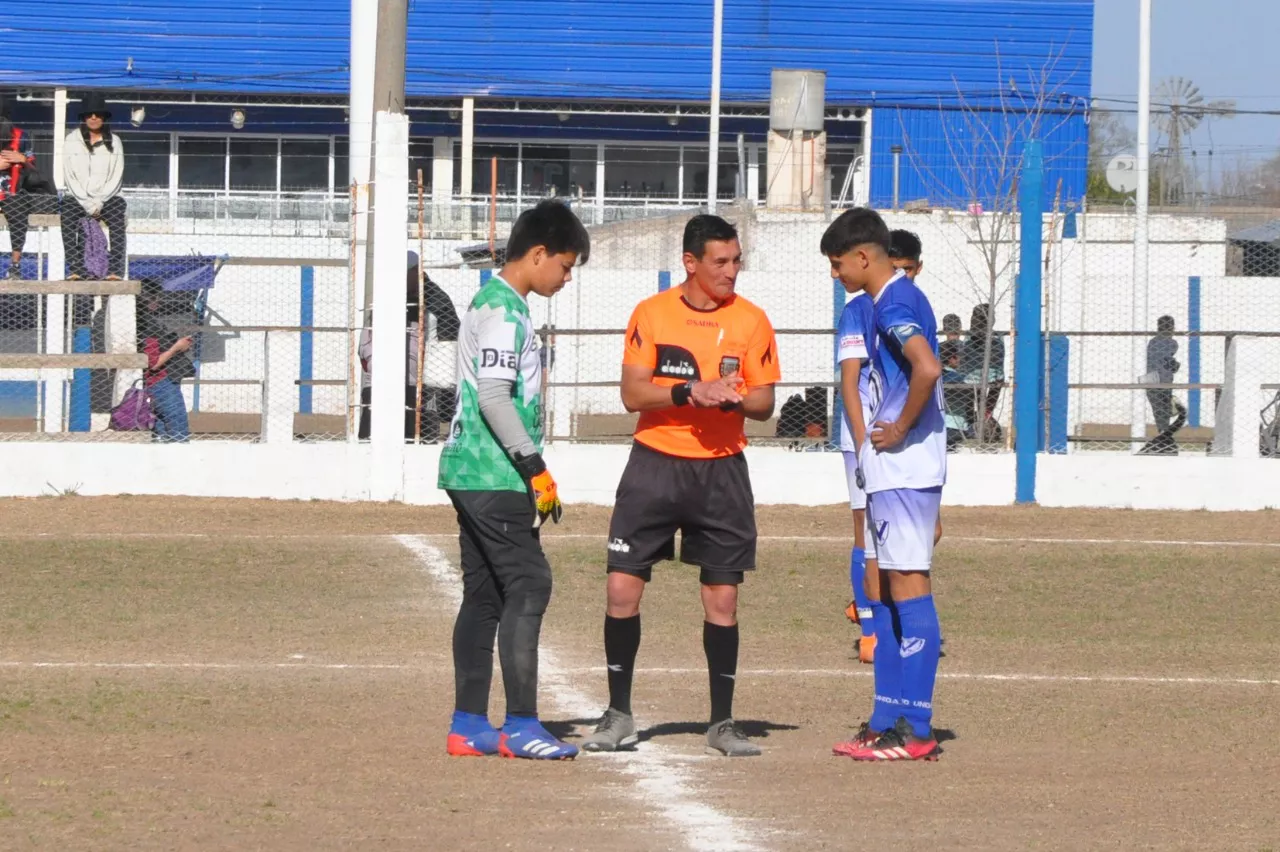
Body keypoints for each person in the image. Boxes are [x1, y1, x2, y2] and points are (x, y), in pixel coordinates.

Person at [582, 214, 781, 758]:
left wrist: (731, 397)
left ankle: (722, 722)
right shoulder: (651, 313)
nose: (732, 271)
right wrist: (690, 391)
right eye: (721, 262)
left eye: (737, 260)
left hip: (721, 471)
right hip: (654, 465)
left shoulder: (753, 320)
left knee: (723, 599)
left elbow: (765, 404)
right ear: (691, 263)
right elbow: (632, 393)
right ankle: (619, 713)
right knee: (622, 590)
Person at [437, 199, 590, 760]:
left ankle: (468, 724)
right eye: (566, 266)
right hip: (493, 472)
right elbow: (496, 398)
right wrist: (535, 467)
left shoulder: (491, 303)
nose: (567, 278)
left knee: (485, 594)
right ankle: (522, 724)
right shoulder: (505, 312)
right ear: (539, 253)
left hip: (470, 469)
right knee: (530, 584)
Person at [824, 208, 946, 762]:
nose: (836, 274)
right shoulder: (880, 303)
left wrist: (896, 429)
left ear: (864, 256)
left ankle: (915, 729)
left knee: (909, 587)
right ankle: (889, 716)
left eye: (838, 263)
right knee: (890, 592)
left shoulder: (894, 302)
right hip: (893, 470)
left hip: (905, 468)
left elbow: (927, 367)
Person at [358, 251, 460, 442]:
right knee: (371, 439)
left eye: (402, 273)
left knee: (418, 440)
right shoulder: (387, 296)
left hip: (422, 388)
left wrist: (446, 401)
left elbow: (449, 351)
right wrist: (375, 366)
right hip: (380, 383)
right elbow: (366, 338)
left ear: (416, 272)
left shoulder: (437, 302)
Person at [834, 242, 879, 666]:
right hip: (863, 441)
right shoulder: (857, 310)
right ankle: (870, 627)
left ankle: (873, 602)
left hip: (901, 443)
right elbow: (850, 381)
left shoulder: (913, 308)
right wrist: (863, 441)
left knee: (919, 532)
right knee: (864, 530)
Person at [63, 93, 126, 281]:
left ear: (104, 118)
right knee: (66, 214)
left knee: (117, 216)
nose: (93, 118)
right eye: (89, 114)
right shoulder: (71, 140)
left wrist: (99, 202)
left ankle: (114, 270)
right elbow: (69, 175)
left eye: (97, 114)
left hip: (107, 198)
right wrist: (87, 204)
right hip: (79, 198)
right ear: (83, 117)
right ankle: (75, 269)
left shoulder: (115, 142)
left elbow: (117, 175)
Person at [1, 98, 58, 280]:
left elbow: (35, 171)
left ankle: (15, 265)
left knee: (18, 209)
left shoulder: (21, 136)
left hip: (12, 192)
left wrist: (23, 160)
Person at [138, 277, 194, 443]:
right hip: (161, 383)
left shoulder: (141, 322)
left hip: (152, 384)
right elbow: (153, 363)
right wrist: (177, 347)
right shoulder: (147, 326)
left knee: (161, 434)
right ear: (150, 299)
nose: (159, 301)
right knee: (178, 433)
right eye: (157, 297)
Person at [959, 303, 1004, 442]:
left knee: (973, 396)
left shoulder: (968, 336)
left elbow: (964, 358)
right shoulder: (997, 337)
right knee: (996, 383)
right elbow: (999, 359)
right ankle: (984, 416)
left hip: (971, 377)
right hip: (990, 376)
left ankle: (978, 420)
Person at [1145, 315, 1180, 433]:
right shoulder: (1172, 343)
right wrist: (1176, 365)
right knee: (1164, 409)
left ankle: (1162, 431)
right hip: (1163, 379)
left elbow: (1158, 358)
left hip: (1149, 378)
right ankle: (1163, 434)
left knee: (1158, 409)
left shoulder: (1152, 342)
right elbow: (1167, 361)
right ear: (1172, 328)